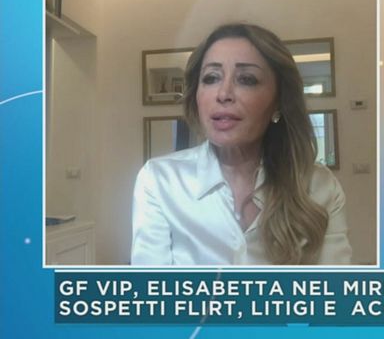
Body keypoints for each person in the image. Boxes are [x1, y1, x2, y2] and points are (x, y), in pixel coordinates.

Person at [131, 23, 352, 265]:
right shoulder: (159, 180)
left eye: (246, 79)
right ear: (196, 96)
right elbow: (151, 286)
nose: (223, 93)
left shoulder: (319, 186)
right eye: (211, 78)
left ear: (278, 101)